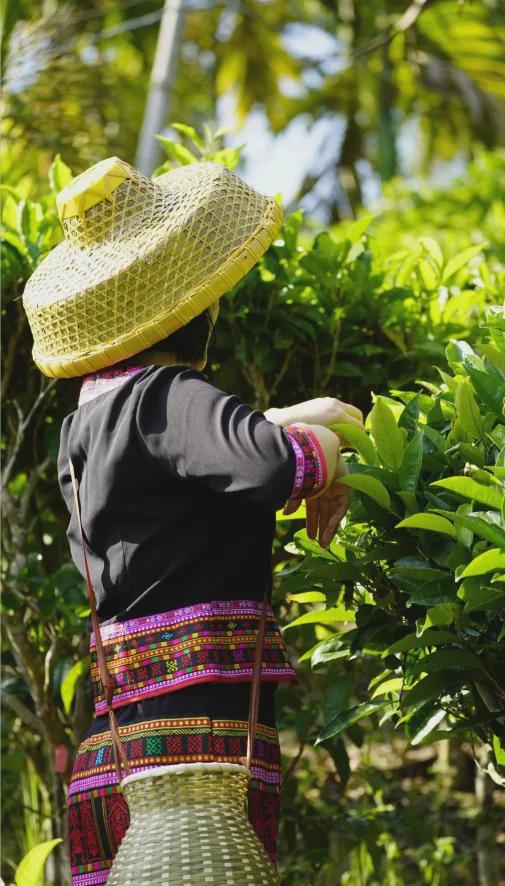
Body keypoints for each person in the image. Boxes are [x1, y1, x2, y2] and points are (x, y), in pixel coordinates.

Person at [22, 156, 363, 885]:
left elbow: (212, 460)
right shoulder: (167, 394)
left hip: (117, 751)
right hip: (196, 751)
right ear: (191, 310)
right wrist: (335, 442)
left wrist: (297, 421)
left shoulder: (85, 425)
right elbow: (274, 466)